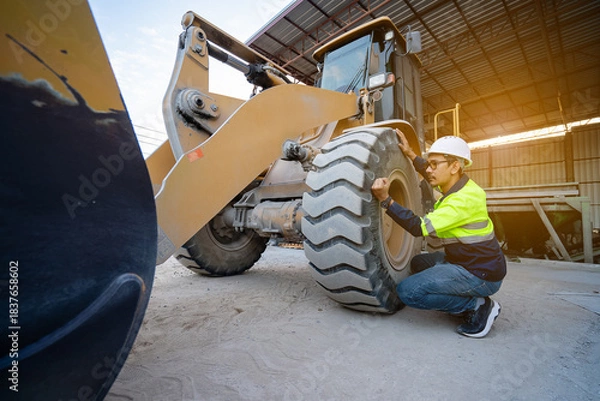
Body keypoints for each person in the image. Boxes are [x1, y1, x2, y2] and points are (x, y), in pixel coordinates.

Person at [371, 130, 506, 338]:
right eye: (429, 163)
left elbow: (418, 227)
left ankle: (477, 305)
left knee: (408, 292)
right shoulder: (457, 185)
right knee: (417, 263)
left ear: (455, 166)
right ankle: (451, 280)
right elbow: (429, 173)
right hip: (466, 260)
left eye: (435, 164)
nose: (430, 169)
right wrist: (410, 154)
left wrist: (386, 201)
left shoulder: (462, 201)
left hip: (479, 273)